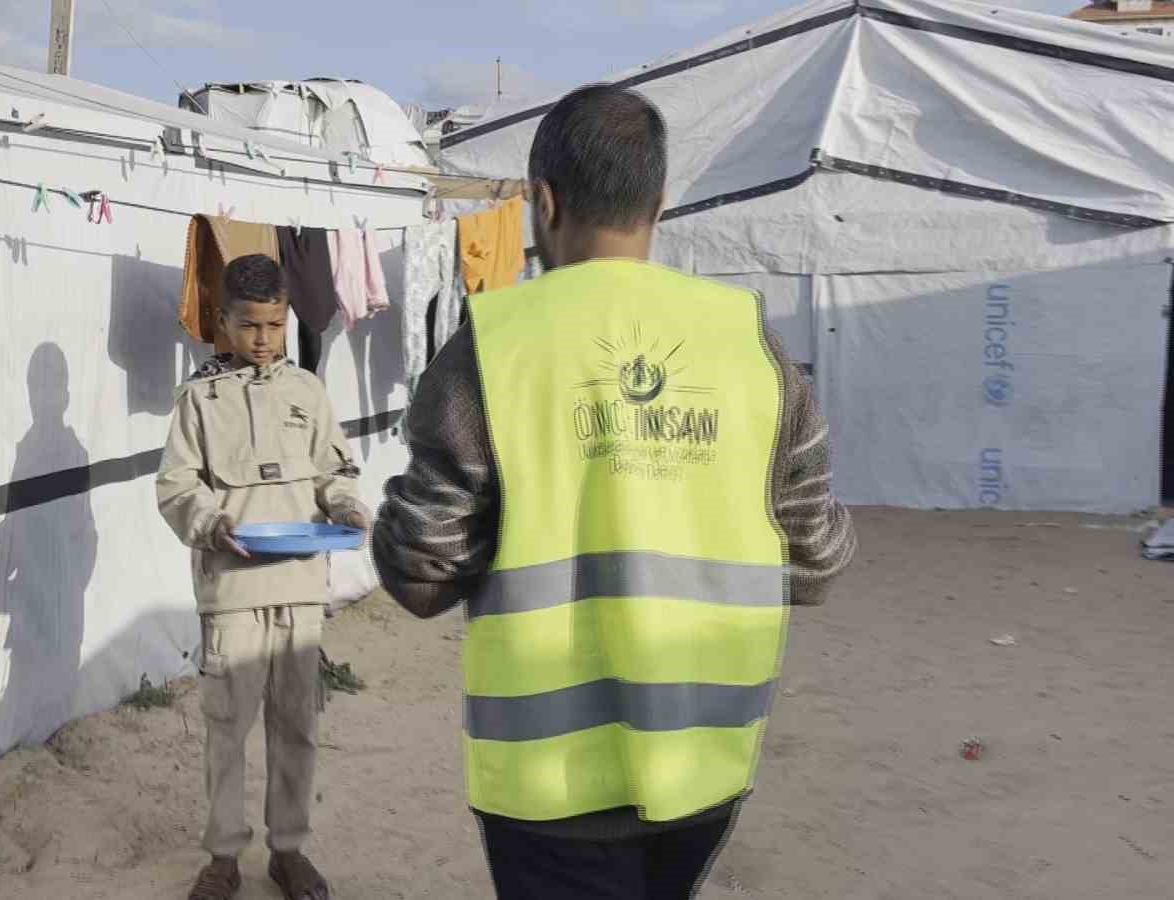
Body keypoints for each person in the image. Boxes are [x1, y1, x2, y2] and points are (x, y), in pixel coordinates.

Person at [371, 84, 858, 900]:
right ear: (658, 204)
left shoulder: (490, 346)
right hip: (704, 764)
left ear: (544, 202)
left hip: (545, 781)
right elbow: (817, 560)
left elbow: (421, 572)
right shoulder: (750, 342)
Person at [157, 254, 370, 900]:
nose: (263, 339)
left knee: (296, 726)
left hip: (301, 588)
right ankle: (223, 857)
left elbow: (336, 472)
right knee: (227, 728)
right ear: (221, 322)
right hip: (233, 588)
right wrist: (208, 521)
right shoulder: (198, 399)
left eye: (275, 325)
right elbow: (175, 485)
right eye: (249, 325)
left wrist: (346, 505)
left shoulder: (308, 391)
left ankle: (289, 850)